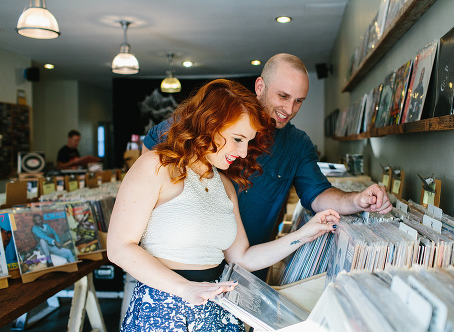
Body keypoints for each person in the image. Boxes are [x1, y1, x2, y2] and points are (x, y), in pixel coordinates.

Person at [108, 79, 341, 331]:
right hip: (162, 308)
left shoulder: (226, 185)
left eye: (248, 142)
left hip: (218, 309)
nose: (243, 153)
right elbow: (119, 248)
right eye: (238, 139)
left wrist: (306, 234)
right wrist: (183, 288)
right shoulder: (156, 166)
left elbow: (243, 258)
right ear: (209, 124)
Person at [142, 53, 391, 264]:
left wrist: (358, 200)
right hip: (184, 262)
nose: (289, 109)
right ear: (260, 86)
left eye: (299, 101)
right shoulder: (218, 116)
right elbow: (151, 153)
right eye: (283, 96)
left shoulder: (297, 144)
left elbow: (318, 194)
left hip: (249, 263)